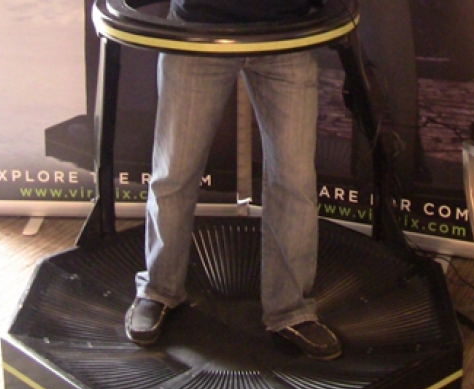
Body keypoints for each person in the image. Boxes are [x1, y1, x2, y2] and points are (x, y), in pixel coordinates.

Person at [124, 0, 342, 360]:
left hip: (285, 33)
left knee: (295, 182)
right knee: (174, 172)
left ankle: (291, 310)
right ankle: (159, 289)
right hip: (198, 28)